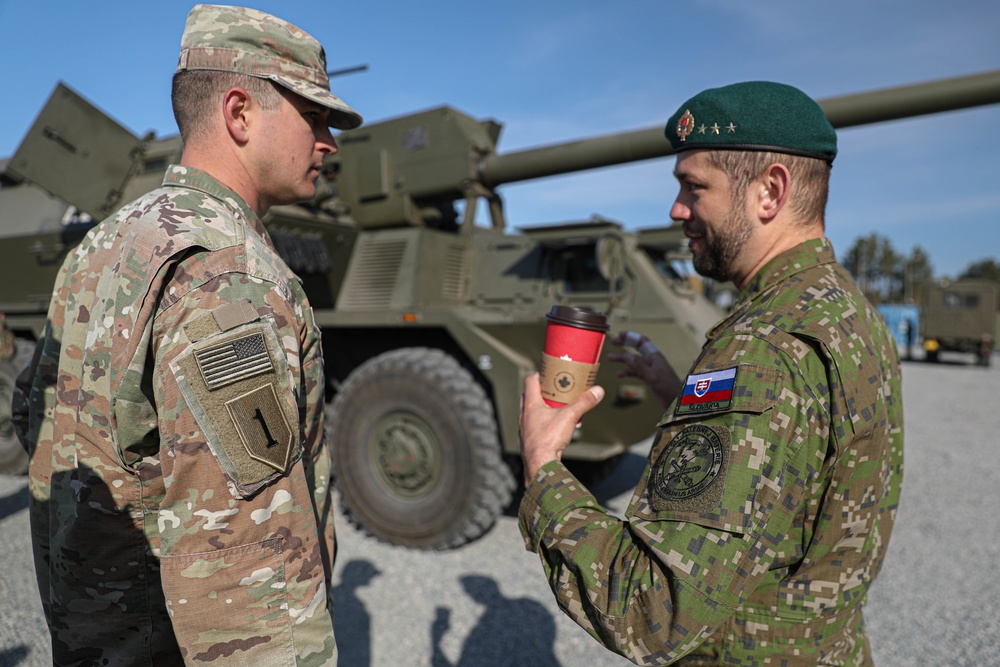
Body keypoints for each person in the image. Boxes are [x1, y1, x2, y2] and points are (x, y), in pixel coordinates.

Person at [12, 5, 362, 665]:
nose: (329, 142)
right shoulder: (228, 274)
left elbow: (40, 424)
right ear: (239, 113)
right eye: (314, 117)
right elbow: (248, 563)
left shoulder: (102, 246)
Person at [518, 81, 904, 665]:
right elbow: (797, 463)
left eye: (693, 187)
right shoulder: (846, 311)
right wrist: (682, 395)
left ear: (769, 191)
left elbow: (652, 612)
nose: (676, 210)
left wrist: (543, 466)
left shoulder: (762, 348)